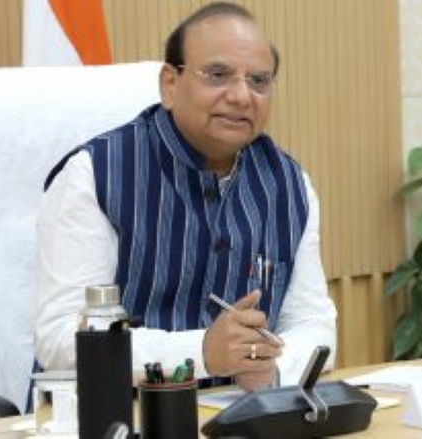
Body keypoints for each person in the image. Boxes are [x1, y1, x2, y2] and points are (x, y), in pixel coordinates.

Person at [35, 1, 336, 391]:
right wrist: (201, 352)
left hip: (240, 412)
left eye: (259, 81)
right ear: (170, 84)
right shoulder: (95, 174)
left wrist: (273, 369)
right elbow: (61, 339)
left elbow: (313, 323)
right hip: (116, 412)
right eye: (218, 75)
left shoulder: (289, 184)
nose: (242, 96)